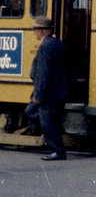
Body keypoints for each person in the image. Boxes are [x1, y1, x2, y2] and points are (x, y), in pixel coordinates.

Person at [27, 16, 69, 161]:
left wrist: (38, 96)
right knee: (46, 118)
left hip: (47, 94)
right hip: (57, 91)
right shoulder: (57, 43)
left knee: (46, 121)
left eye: (35, 30)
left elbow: (43, 73)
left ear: (41, 31)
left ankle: (58, 150)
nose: (34, 33)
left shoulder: (45, 46)